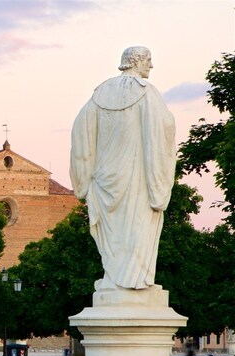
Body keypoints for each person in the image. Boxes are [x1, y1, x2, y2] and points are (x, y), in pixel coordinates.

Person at [70, 46, 176, 291]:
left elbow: (81, 134)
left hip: (105, 179)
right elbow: (163, 130)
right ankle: (135, 280)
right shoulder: (148, 93)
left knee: (114, 233)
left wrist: (84, 178)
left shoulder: (99, 94)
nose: (151, 65)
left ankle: (115, 280)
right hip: (137, 177)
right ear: (137, 61)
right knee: (137, 227)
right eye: (149, 60)